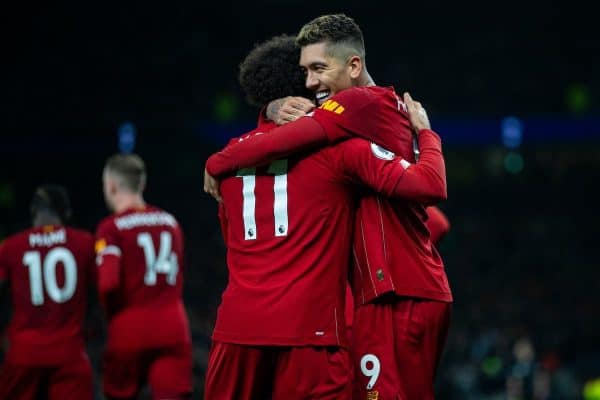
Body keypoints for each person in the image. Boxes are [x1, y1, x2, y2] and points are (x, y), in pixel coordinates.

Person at [205, 14, 453, 400]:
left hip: (244, 324)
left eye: (318, 69)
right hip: (339, 318)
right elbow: (435, 220)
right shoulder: (347, 147)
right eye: (305, 72)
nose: (311, 83)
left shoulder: (346, 113)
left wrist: (217, 160)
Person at [95, 153, 192, 400]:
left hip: (129, 328)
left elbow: (108, 283)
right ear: (142, 184)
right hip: (174, 327)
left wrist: (111, 320)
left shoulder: (111, 227)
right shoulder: (171, 222)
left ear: (112, 186)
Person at [0, 184, 96, 400]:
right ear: (67, 213)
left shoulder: (10, 247)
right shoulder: (85, 242)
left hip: (22, 354)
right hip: (70, 353)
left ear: (33, 211)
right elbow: (102, 290)